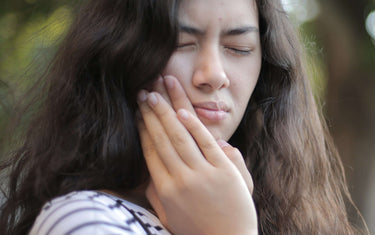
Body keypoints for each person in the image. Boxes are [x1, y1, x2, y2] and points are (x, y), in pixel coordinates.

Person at [0, 0, 365, 234]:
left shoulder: (286, 216)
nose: (213, 74)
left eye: (239, 48)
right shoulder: (86, 221)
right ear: (120, 57)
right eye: (181, 43)